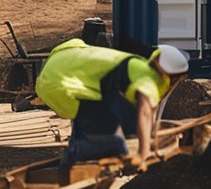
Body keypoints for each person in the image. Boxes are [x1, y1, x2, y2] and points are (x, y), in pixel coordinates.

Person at [35, 40, 190, 168]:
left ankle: (84, 142)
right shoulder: (146, 80)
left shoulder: (138, 66)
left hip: (64, 57)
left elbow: (151, 108)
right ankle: (74, 158)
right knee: (110, 141)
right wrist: (143, 154)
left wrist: (151, 138)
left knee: (112, 117)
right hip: (57, 81)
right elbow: (145, 112)